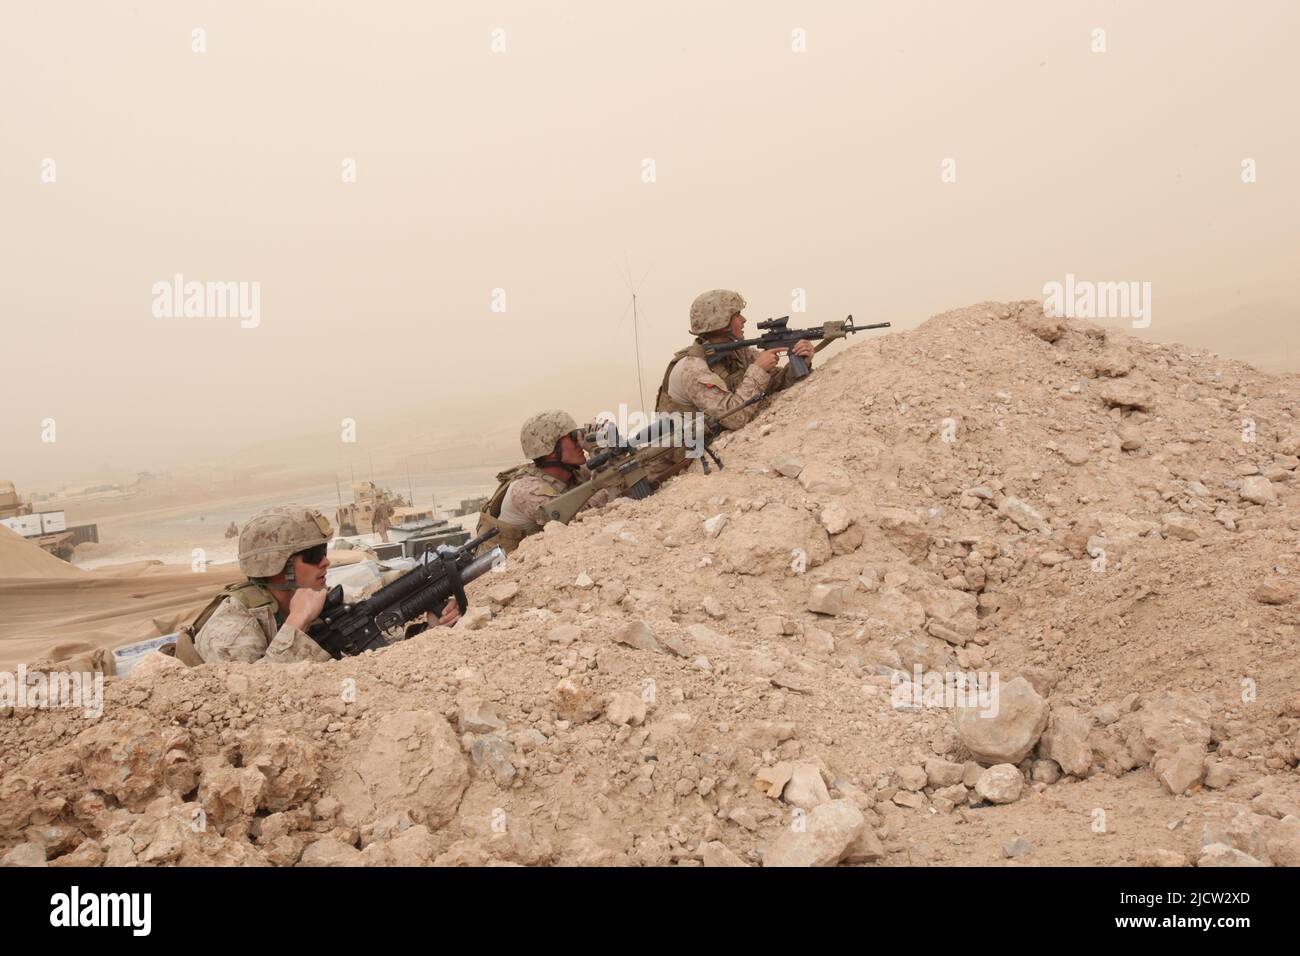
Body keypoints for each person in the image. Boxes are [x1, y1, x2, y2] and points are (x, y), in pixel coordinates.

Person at [183, 505, 457, 664]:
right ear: (280, 566)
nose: (325, 563)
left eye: (324, 552)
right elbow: (251, 701)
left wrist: (429, 630)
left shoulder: (312, 597)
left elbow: (366, 633)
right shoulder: (233, 629)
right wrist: (296, 623)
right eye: (314, 556)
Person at [647, 289, 814, 482]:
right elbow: (735, 418)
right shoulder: (691, 369)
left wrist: (803, 360)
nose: (743, 320)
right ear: (720, 323)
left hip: (703, 448)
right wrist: (758, 370)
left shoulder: (736, 351)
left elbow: (773, 384)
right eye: (737, 315)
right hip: (670, 465)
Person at [475, 410, 611, 553]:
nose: (579, 442)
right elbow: (579, 518)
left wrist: (602, 448)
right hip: (505, 570)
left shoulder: (572, 472)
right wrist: (597, 453)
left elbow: (611, 472)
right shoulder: (527, 490)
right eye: (572, 437)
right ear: (550, 449)